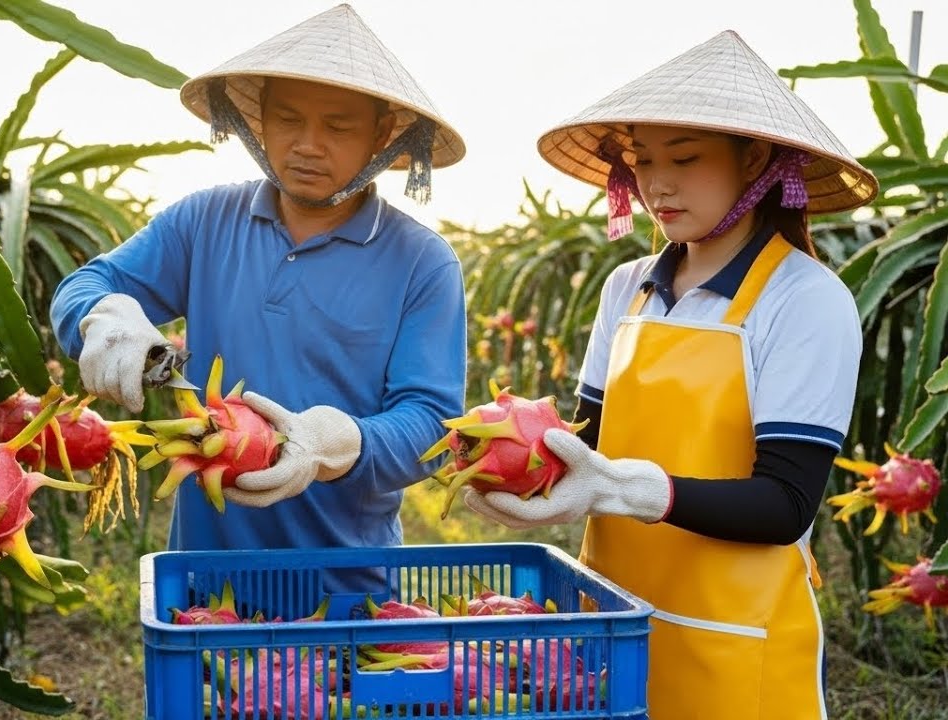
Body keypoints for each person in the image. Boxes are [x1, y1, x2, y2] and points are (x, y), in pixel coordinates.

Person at [463, 30, 877, 719]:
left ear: (754, 160)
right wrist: (509, 459)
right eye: (643, 160)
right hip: (613, 623)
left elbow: (785, 505)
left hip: (736, 645)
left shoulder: (805, 299)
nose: (657, 184)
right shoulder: (625, 288)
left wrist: (626, 488)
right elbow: (585, 443)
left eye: (684, 158)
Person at [50, 5, 468, 589]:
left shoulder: (422, 262)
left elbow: (429, 424)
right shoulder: (204, 222)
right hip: (204, 581)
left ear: (381, 136)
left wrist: (335, 445)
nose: (308, 145)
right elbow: (86, 285)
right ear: (258, 122)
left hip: (346, 586)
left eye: (338, 127)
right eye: (287, 119)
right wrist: (105, 318)